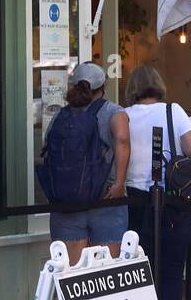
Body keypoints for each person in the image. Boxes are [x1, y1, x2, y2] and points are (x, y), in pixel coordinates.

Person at [122, 66, 191, 300]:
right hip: (171, 199)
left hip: (134, 198)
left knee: (140, 267)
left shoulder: (124, 115)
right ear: (158, 85)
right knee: (171, 265)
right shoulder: (173, 111)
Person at [43, 62, 130, 264]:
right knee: (105, 274)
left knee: (70, 276)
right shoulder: (114, 111)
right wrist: (119, 183)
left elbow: (48, 153)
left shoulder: (60, 117)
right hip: (107, 199)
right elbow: (123, 139)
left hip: (67, 203)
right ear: (103, 87)